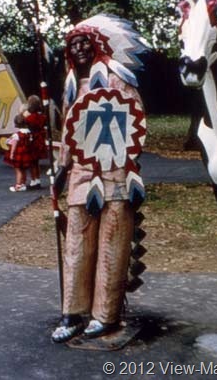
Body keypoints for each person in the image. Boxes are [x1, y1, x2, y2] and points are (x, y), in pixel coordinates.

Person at [51, 25, 144, 343]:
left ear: (96, 45)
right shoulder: (72, 85)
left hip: (115, 170)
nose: (78, 48)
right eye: (73, 44)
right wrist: (62, 168)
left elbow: (135, 117)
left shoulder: (117, 77)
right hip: (81, 172)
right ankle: (72, 312)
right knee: (77, 240)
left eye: (84, 42)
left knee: (112, 242)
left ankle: (105, 314)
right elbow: (67, 130)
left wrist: (119, 152)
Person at [22, 95, 47, 189]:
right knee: (36, 162)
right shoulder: (43, 117)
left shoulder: (28, 118)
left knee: (32, 162)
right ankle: (38, 179)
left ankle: (34, 180)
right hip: (40, 140)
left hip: (32, 140)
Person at [4, 114, 33, 192]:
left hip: (19, 154)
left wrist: (11, 154)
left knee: (18, 169)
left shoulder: (17, 135)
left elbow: (14, 144)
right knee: (23, 169)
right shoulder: (29, 133)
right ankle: (23, 184)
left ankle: (18, 185)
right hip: (26, 153)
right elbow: (30, 141)